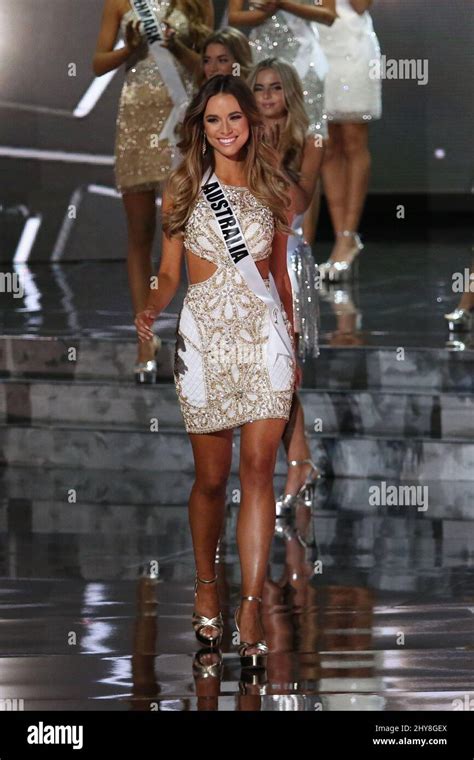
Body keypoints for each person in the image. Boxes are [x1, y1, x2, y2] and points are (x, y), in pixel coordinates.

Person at [135, 74, 300, 670]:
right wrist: (152, 304)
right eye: (213, 120)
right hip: (205, 340)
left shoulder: (273, 187)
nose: (226, 129)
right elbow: (169, 271)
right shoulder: (183, 188)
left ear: (250, 122)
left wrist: (293, 344)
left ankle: (252, 603)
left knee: (259, 470)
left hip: (265, 339)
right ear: (199, 129)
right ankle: (208, 583)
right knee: (212, 479)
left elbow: (280, 278)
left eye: (235, 117)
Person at [93, 0, 212, 383]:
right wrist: (130, 47)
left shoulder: (198, 3)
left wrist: (175, 45)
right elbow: (97, 64)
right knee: (140, 233)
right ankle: (145, 338)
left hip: (180, 118)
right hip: (135, 118)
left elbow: (207, 67)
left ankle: (202, 331)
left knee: (186, 231)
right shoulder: (120, 3)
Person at [249, 58, 322, 517]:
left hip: (288, 263)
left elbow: (298, 201)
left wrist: (272, 159)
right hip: (251, 264)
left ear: (289, 93)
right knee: (267, 372)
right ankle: (300, 460)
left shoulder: (311, 140)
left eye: (276, 88)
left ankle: (298, 462)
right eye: (258, 89)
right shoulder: (242, 139)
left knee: (283, 371)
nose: (268, 97)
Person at [229, 0, 336, 244]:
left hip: (304, 60)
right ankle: (254, 239)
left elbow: (328, 15)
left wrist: (283, 3)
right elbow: (235, 17)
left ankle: (300, 245)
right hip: (263, 54)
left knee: (306, 145)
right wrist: (266, 10)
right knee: (260, 134)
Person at [317, 0, 382, 281]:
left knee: (353, 139)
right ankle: (339, 238)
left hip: (351, 44)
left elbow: (360, 5)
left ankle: (348, 235)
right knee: (328, 145)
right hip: (316, 42)